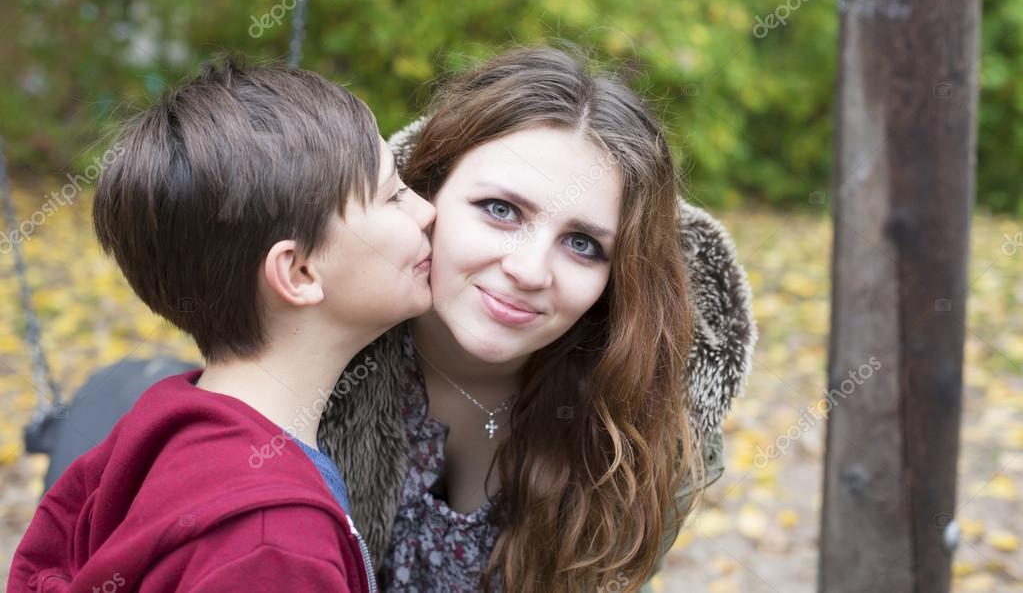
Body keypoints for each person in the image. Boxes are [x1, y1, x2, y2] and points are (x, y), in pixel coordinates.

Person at [319, 46, 757, 592]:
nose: (529, 271)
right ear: (427, 194)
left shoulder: (642, 434)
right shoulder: (314, 354)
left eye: (582, 244)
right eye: (501, 210)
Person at [8, 58, 435, 592]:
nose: (425, 211)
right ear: (300, 271)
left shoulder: (166, 428)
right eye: (393, 195)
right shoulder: (273, 547)